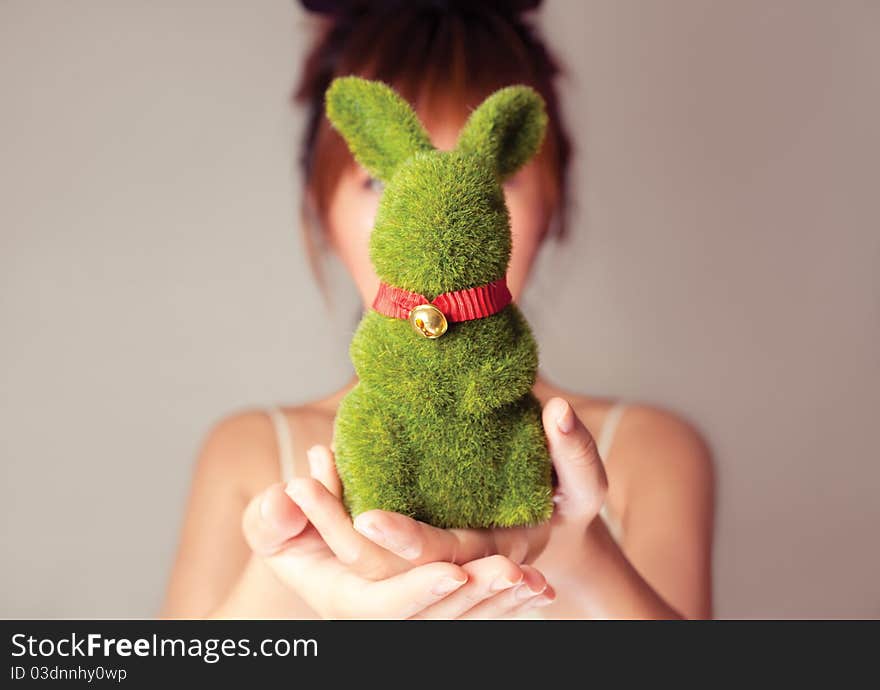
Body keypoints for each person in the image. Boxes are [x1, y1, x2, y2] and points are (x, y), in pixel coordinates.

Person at [161, 0, 714, 619]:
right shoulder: (246, 452)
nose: (441, 212)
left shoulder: (649, 451)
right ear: (322, 212)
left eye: (490, 180)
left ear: (550, 209)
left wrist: (576, 549)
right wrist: (284, 568)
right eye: (378, 180)